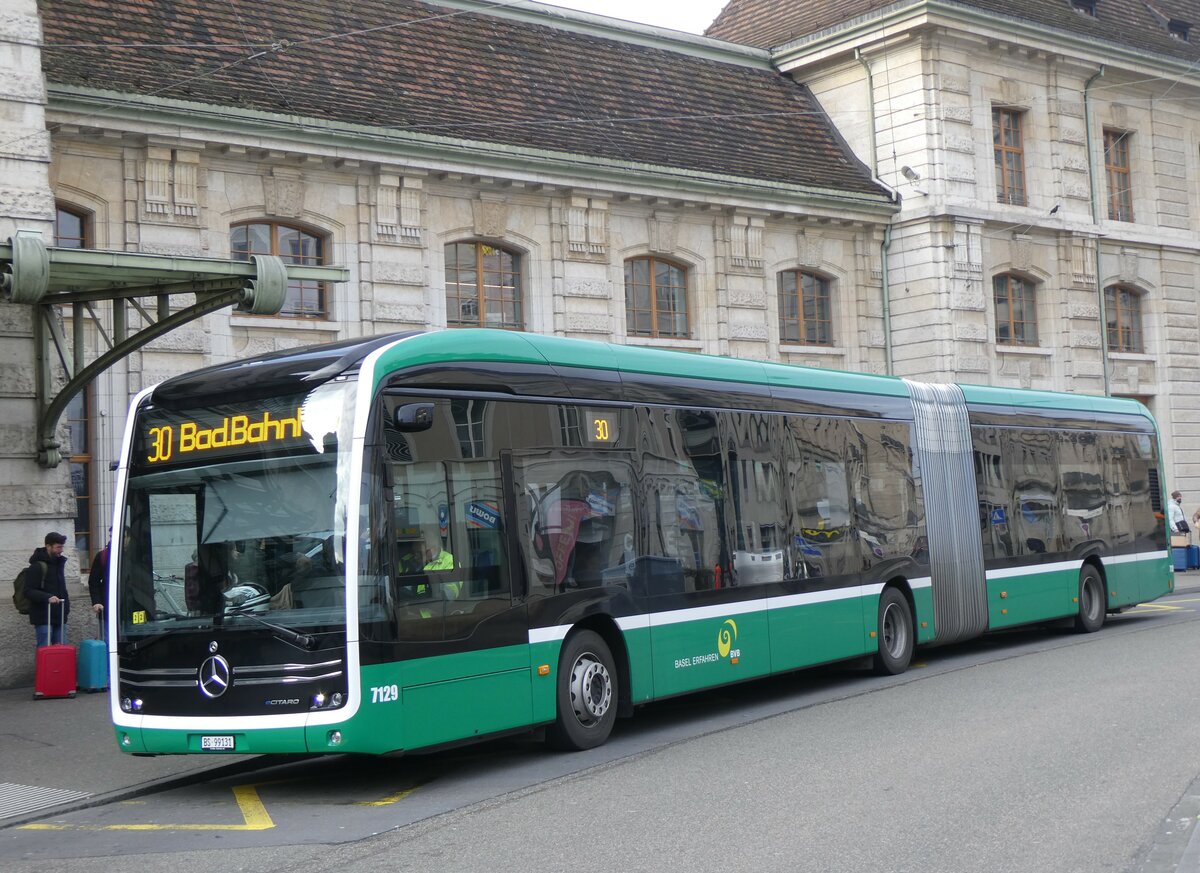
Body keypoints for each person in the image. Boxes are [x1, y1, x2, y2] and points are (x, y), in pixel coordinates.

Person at [25, 531, 70, 648]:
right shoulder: (37, 566)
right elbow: (28, 591)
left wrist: (66, 610)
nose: (61, 550)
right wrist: (47, 597)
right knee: (45, 650)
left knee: (61, 651)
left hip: (60, 616)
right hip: (44, 617)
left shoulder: (59, 564)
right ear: (48, 546)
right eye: (58, 547)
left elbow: (62, 589)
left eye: (62, 547)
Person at [87, 528, 111, 641]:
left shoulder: (133, 555)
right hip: (107, 606)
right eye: (111, 536)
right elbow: (93, 581)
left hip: (129, 608)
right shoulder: (103, 556)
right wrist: (97, 602)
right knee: (107, 639)